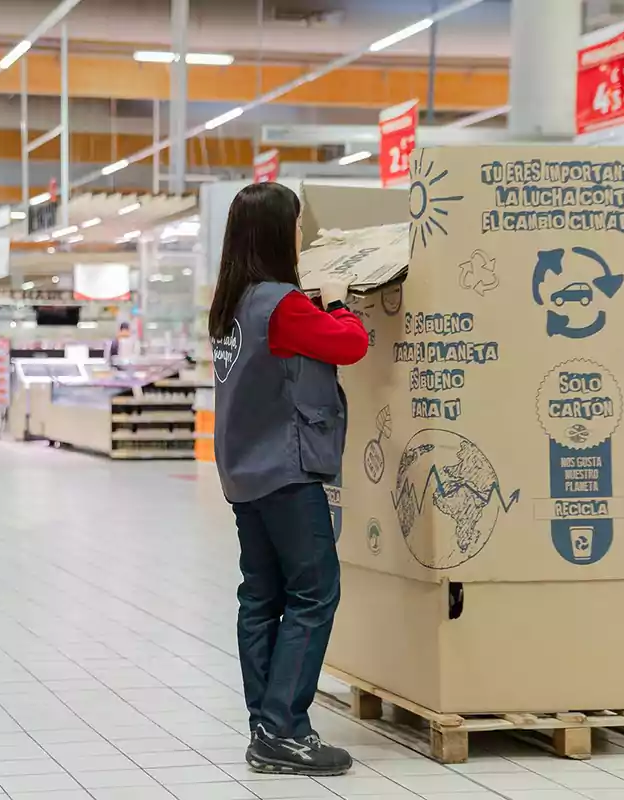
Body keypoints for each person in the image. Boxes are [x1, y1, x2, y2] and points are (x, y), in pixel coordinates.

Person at [208, 182, 370, 777]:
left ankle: (264, 724)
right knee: (314, 592)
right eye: (298, 226)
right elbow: (349, 345)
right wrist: (338, 303)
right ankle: (284, 731)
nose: (302, 235)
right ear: (281, 233)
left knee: (261, 595)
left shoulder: (230, 304)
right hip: (287, 469)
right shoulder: (283, 304)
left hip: (244, 470)